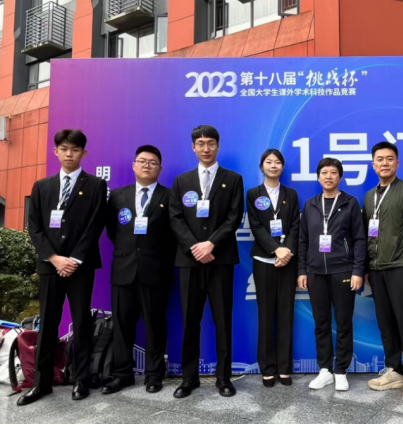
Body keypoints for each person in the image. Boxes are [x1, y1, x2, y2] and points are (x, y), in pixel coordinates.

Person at [20, 129, 107, 406]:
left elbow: (95, 225)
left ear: (84, 153)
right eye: (64, 148)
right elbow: (34, 227)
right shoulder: (42, 186)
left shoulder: (96, 185)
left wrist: (74, 259)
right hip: (50, 266)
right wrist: (54, 258)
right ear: (55, 151)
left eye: (75, 149)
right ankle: (41, 382)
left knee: (81, 322)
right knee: (48, 323)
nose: (69, 154)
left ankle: (81, 380)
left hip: (80, 266)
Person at [169, 125, 244, 398]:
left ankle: (223, 378)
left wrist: (211, 243)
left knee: (223, 320)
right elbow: (175, 217)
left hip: (220, 259)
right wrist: (194, 247)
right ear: (193, 147)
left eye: (211, 143)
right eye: (200, 144)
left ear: (218, 146)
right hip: (190, 261)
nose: (206, 148)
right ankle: (189, 379)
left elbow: (234, 216)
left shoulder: (232, 179)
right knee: (190, 320)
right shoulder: (182, 181)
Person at [102, 145, 176, 395]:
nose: (147, 165)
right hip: (123, 269)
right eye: (142, 161)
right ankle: (122, 374)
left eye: (153, 162)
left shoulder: (169, 196)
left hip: (155, 270)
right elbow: (112, 231)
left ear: (160, 168)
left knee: (155, 324)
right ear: (134, 165)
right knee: (122, 324)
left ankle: (154, 374)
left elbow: (173, 234)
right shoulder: (118, 196)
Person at [362, 141, 403, 403]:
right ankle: (395, 370)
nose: (385, 163)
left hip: (402, 266)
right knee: (385, 323)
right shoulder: (369, 196)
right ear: (373, 164)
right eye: (380, 159)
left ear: (397, 163)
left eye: (390, 159)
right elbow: (368, 235)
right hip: (377, 269)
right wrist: (368, 267)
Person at [298, 158, 366, 392]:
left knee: (344, 322)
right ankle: (325, 370)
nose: (328, 176)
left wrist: (357, 270)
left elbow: (359, 239)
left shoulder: (350, 203)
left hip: (343, 270)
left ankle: (341, 370)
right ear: (318, 177)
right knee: (321, 322)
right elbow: (303, 240)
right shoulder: (310, 204)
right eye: (324, 172)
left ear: (340, 177)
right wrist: (302, 270)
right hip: (315, 272)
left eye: (333, 173)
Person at [246, 149, 300, 387]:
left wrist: (286, 252)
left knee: (286, 315)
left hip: (287, 261)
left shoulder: (291, 194)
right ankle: (267, 368)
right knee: (266, 315)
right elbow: (256, 226)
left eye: (277, 162)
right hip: (263, 261)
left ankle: (284, 367)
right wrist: (275, 250)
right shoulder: (253, 194)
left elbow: (296, 226)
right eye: (269, 162)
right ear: (262, 167)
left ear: (282, 167)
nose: (273, 165)